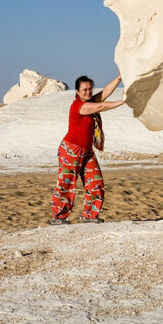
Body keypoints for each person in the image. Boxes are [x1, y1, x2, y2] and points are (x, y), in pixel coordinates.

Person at [49, 72, 125, 225]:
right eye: (84, 90)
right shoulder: (80, 106)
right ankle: (58, 217)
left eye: (90, 89)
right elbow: (102, 106)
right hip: (71, 150)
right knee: (66, 183)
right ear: (77, 92)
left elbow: (103, 95)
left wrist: (119, 78)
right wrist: (123, 101)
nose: (88, 92)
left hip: (87, 151)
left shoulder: (89, 101)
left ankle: (89, 216)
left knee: (95, 182)